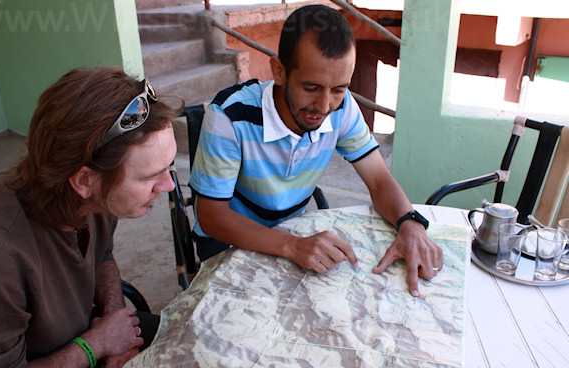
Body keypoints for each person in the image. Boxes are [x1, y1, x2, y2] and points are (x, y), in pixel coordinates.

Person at [189, 5, 442, 297]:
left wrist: (409, 222)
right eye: (311, 87)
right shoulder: (230, 116)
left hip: (292, 231)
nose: (324, 107)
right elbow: (210, 216)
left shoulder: (343, 108)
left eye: (338, 88)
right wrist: (292, 245)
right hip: (228, 242)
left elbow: (378, 179)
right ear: (279, 71)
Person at [0, 67, 179, 368]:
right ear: (83, 181)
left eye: (169, 167)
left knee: (192, 344)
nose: (167, 185)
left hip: (86, 334)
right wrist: (96, 344)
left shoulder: (97, 198)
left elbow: (102, 257)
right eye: (149, 176)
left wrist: (115, 320)